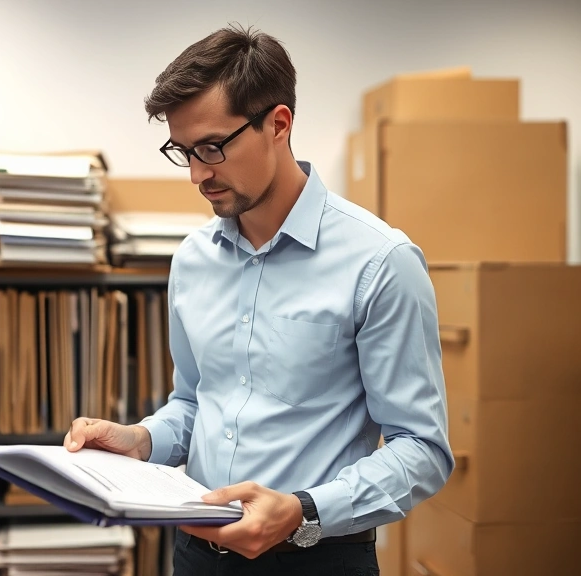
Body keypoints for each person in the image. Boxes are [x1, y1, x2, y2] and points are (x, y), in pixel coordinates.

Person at [64, 23, 454, 575]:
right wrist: (140, 439)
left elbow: (422, 450)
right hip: (195, 554)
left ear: (278, 123)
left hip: (317, 558)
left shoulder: (380, 262)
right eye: (183, 152)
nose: (198, 174)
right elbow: (197, 404)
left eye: (212, 147)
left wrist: (302, 511)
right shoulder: (193, 260)